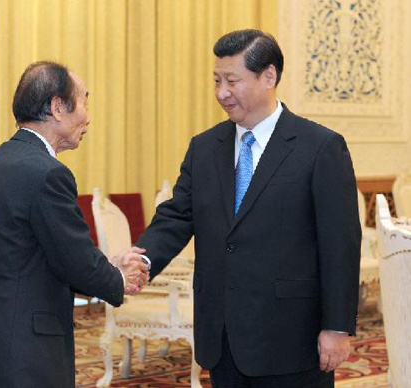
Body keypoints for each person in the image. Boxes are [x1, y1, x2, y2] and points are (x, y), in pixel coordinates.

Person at [136, 29, 361, 387]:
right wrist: (141, 260)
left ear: (268, 76)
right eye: (216, 80)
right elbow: (177, 216)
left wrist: (336, 326)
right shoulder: (205, 147)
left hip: (292, 339)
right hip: (223, 337)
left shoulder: (320, 147)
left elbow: (340, 244)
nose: (221, 92)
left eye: (232, 81)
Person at [0, 61, 149, 388]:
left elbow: (34, 255)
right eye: (84, 101)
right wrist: (119, 277)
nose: (89, 116)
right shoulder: (48, 173)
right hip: (21, 352)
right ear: (57, 108)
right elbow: (74, 260)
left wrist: (107, 264)